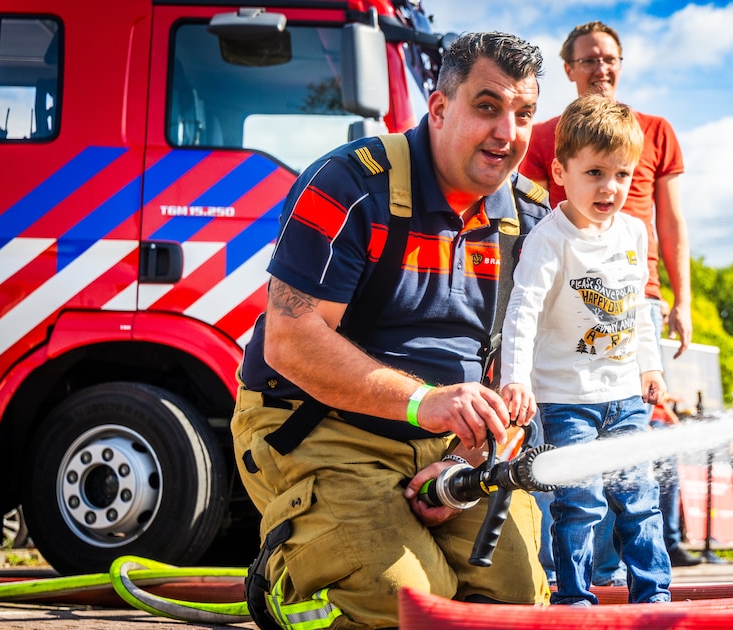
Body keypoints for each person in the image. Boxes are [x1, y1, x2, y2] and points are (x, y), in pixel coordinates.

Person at [230, 33, 551, 629]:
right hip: (319, 425)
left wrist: (472, 455)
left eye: (523, 113)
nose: (509, 132)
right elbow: (291, 340)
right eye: (487, 106)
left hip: (457, 446)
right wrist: (423, 401)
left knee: (515, 603)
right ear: (438, 108)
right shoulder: (349, 187)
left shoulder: (531, 220)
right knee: (404, 603)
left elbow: (525, 377)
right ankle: (292, 580)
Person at [520, 20, 699, 569]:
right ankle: (565, 573)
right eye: (589, 59)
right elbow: (526, 211)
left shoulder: (655, 130)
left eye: (610, 58)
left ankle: (614, 568)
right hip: (568, 292)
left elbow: (671, 222)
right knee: (572, 442)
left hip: (634, 294)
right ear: (569, 69)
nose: (601, 68)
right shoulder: (543, 136)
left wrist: (681, 299)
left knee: (628, 443)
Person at [500, 95, 670, 606]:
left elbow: (637, 307)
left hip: (626, 400)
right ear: (560, 170)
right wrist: (516, 378)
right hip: (566, 400)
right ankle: (574, 598)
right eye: (594, 172)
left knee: (640, 501)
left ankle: (654, 595)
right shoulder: (549, 240)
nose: (609, 187)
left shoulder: (634, 232)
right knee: (581, 503)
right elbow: (522, 310)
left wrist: (651, 366)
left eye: (622, 175)